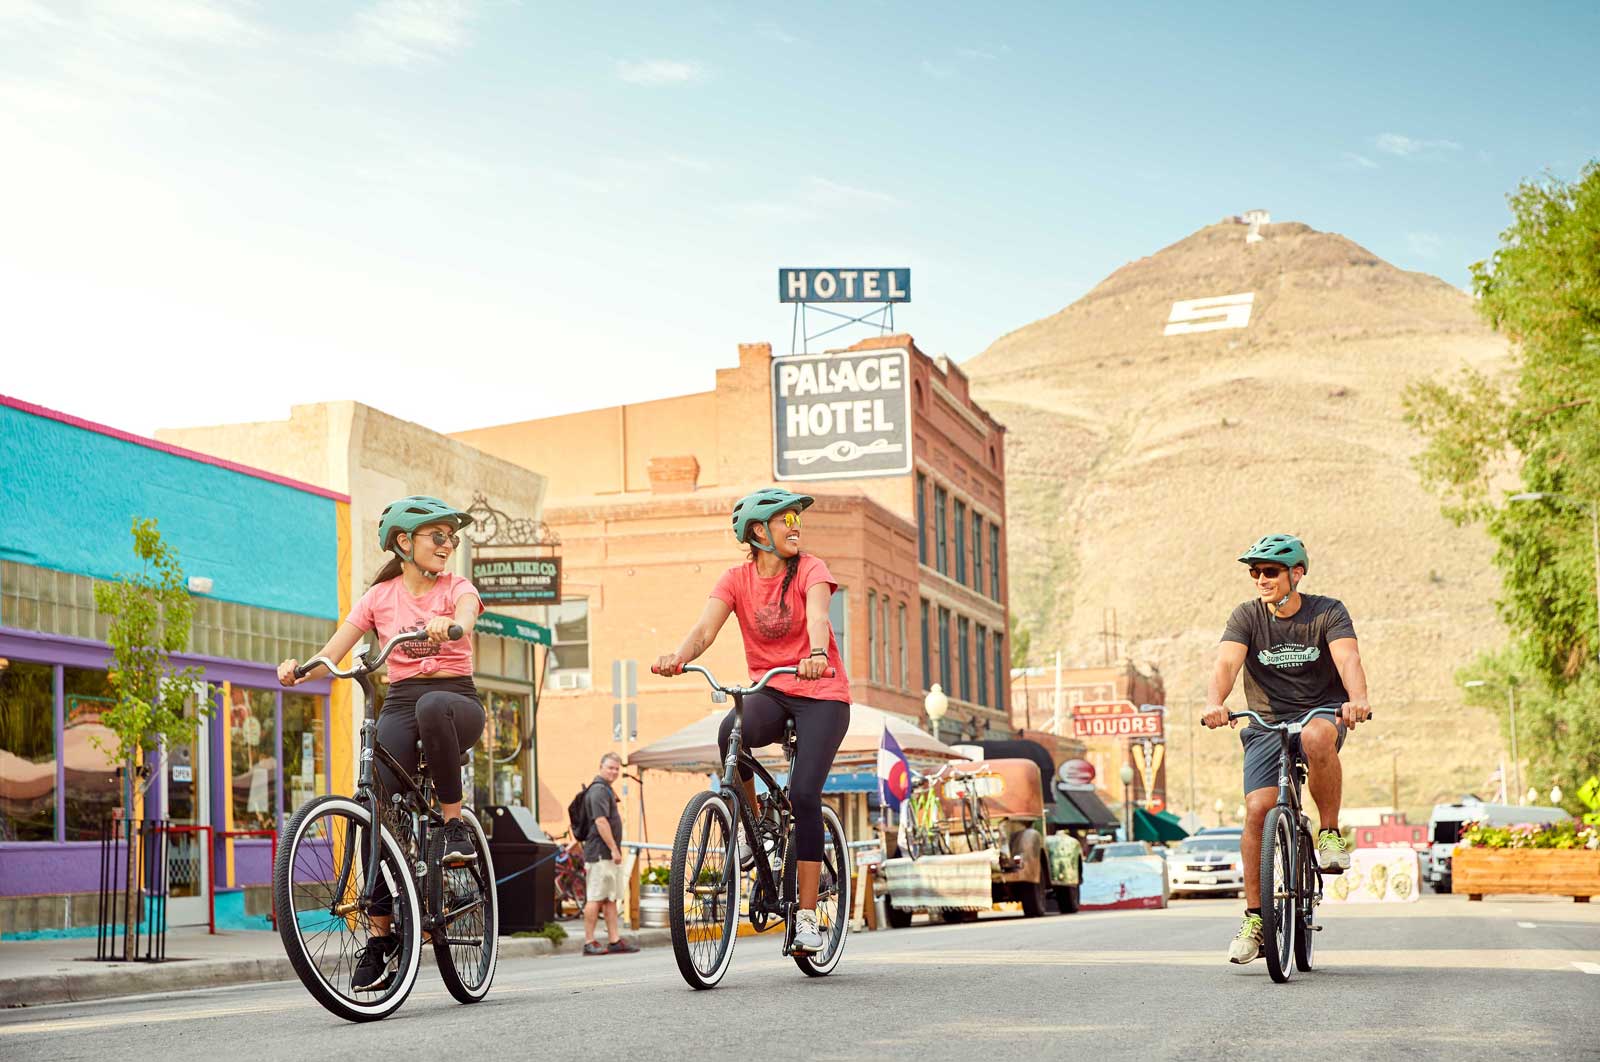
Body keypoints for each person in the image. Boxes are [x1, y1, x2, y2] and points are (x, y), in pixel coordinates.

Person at [278, 494, 485, 990]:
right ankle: (380, 934)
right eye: (438, 536)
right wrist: (301, 669)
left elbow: (466, 615)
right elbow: (335, 648)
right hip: (400, 702)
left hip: (455, 701)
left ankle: (454, 827)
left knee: (432, 707)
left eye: (451, 537)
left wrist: (449, 625)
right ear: (403, 542)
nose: (447, 544)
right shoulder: (379, 598)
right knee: (369, 804)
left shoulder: (457, 587)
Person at [654, 487, 851, 954]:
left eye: (795, 519)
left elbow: (819, 615)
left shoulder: (811, 569)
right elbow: (705, 629)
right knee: (730, 735)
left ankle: (805, 918)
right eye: (785, 520)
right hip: (774, 689)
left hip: (822, 691)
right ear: (759, 532)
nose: (795, 526)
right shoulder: (735, 579)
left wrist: (817, 654)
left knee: (804, 793)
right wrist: (678, 657)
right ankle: (756, 821)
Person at [1201, 533, 1372, 965]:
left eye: (1270, 571)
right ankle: (1256, 920)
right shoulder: (1246, 616)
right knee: (1258, 809)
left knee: (1317, 737)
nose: (1261, 579)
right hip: (1265, 721)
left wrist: (1357, 698)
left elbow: (1348, 658)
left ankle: (1329, 833)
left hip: (1321, 711)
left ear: (1297, 573)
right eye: (1255, 572)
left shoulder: (1327, 612)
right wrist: (1214, 703)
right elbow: (1226, 662)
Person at [581, 752, 640, 956]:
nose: (614, 771)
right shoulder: (598, 790)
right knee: (596, 897)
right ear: (601, 767)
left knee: (610, 898)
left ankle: (614, 940)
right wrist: (614, 849)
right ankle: (589, 941)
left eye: (617, 768)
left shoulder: (605, 789)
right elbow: (600, 822)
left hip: (607, 854)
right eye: (610, 767)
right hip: (600, 853)